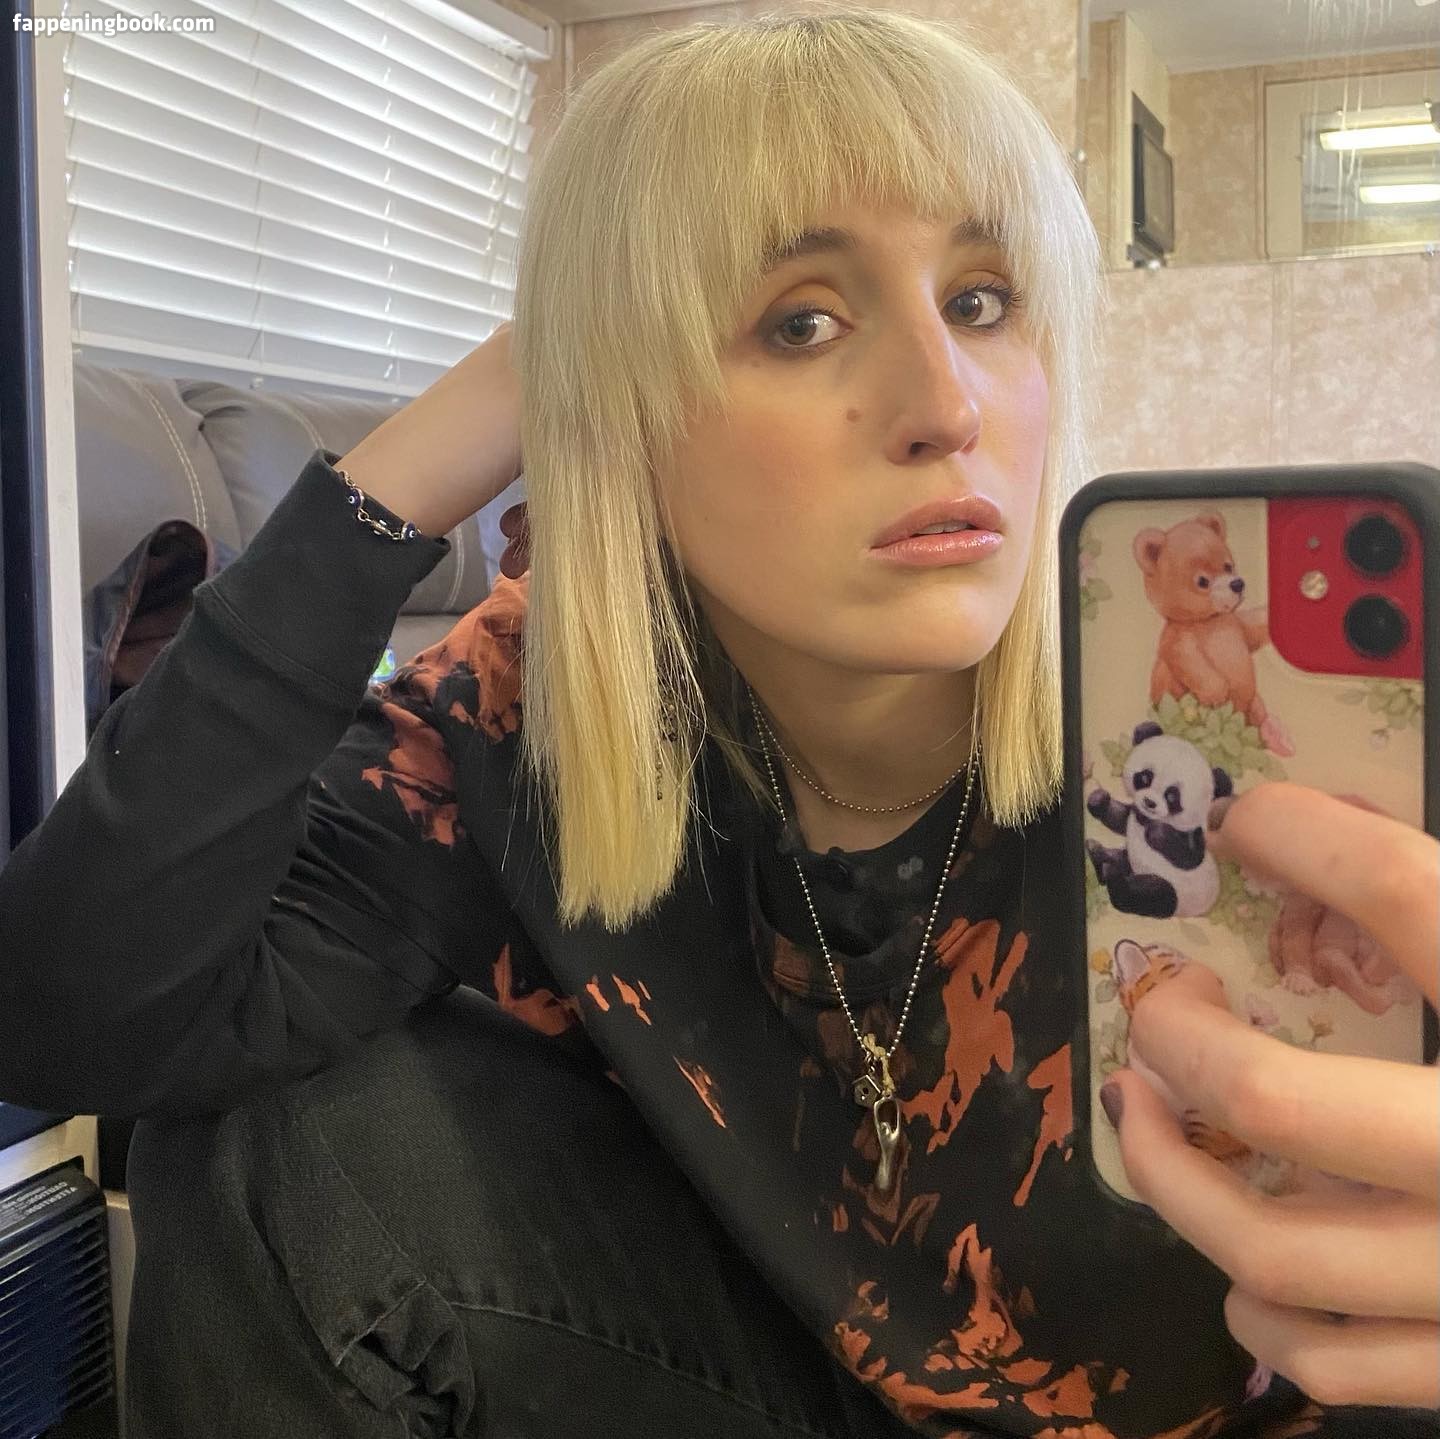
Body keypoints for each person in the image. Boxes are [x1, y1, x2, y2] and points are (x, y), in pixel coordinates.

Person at [0, 6, 1435, 1437]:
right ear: (619, 411)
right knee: (278, 1131)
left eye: (984, 300)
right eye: (800, 322)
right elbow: (80, 1021)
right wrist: (414, 469)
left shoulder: (1204, 738)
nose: (947, 405)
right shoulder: (537, 707)